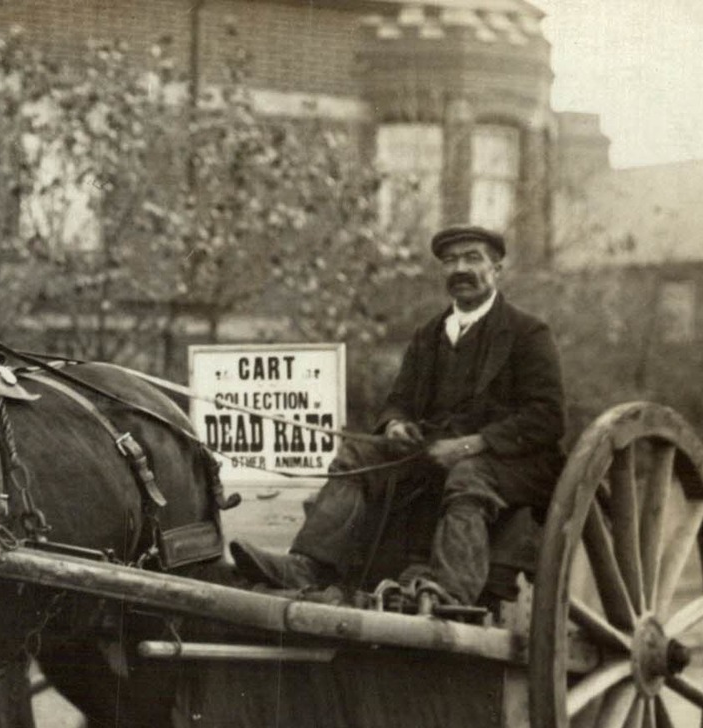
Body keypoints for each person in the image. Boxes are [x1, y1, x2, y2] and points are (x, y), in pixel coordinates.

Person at [231, 224, 565, 608]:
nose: (461, 269)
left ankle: (451, 590)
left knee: (468, 475)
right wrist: (395, 424)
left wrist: (473, 444)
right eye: (451, 260)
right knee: (355, 455)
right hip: (432, 450)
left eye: (473, 258)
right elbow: (398, 400)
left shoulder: (528, 333)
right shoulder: (429, 336)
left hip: (512, 462)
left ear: (497, 268)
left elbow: (548, 416)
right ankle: (309, 566)